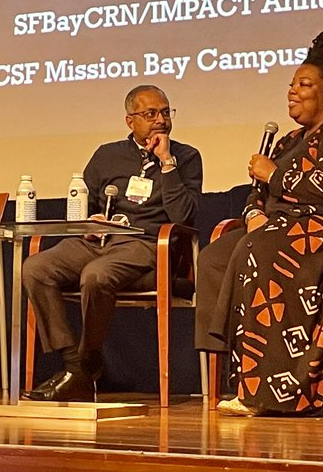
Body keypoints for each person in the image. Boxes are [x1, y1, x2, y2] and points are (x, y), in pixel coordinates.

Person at [196, 30, 323, 416]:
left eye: (304, 84)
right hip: (287, 232)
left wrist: (273, 174)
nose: (292, 91)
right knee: (215, 257)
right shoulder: (289, 140)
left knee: (264, 246)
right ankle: (235, 379)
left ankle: (272, 391)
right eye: (291, 84)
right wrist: (254, 213)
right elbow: (259, 195)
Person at [22, 84, 202, 402]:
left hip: (146, 244)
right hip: (99, 240)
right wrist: (92, 221)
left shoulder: (185, 157)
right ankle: (74, 363)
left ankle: (88, 360)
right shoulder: (107, 154)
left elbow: (184, 217)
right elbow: (84, 204)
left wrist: (166, 163)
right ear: (130, 120)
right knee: (36, 267)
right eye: (150, 114)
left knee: (96, 275)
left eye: (165, 112)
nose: (160, 120)